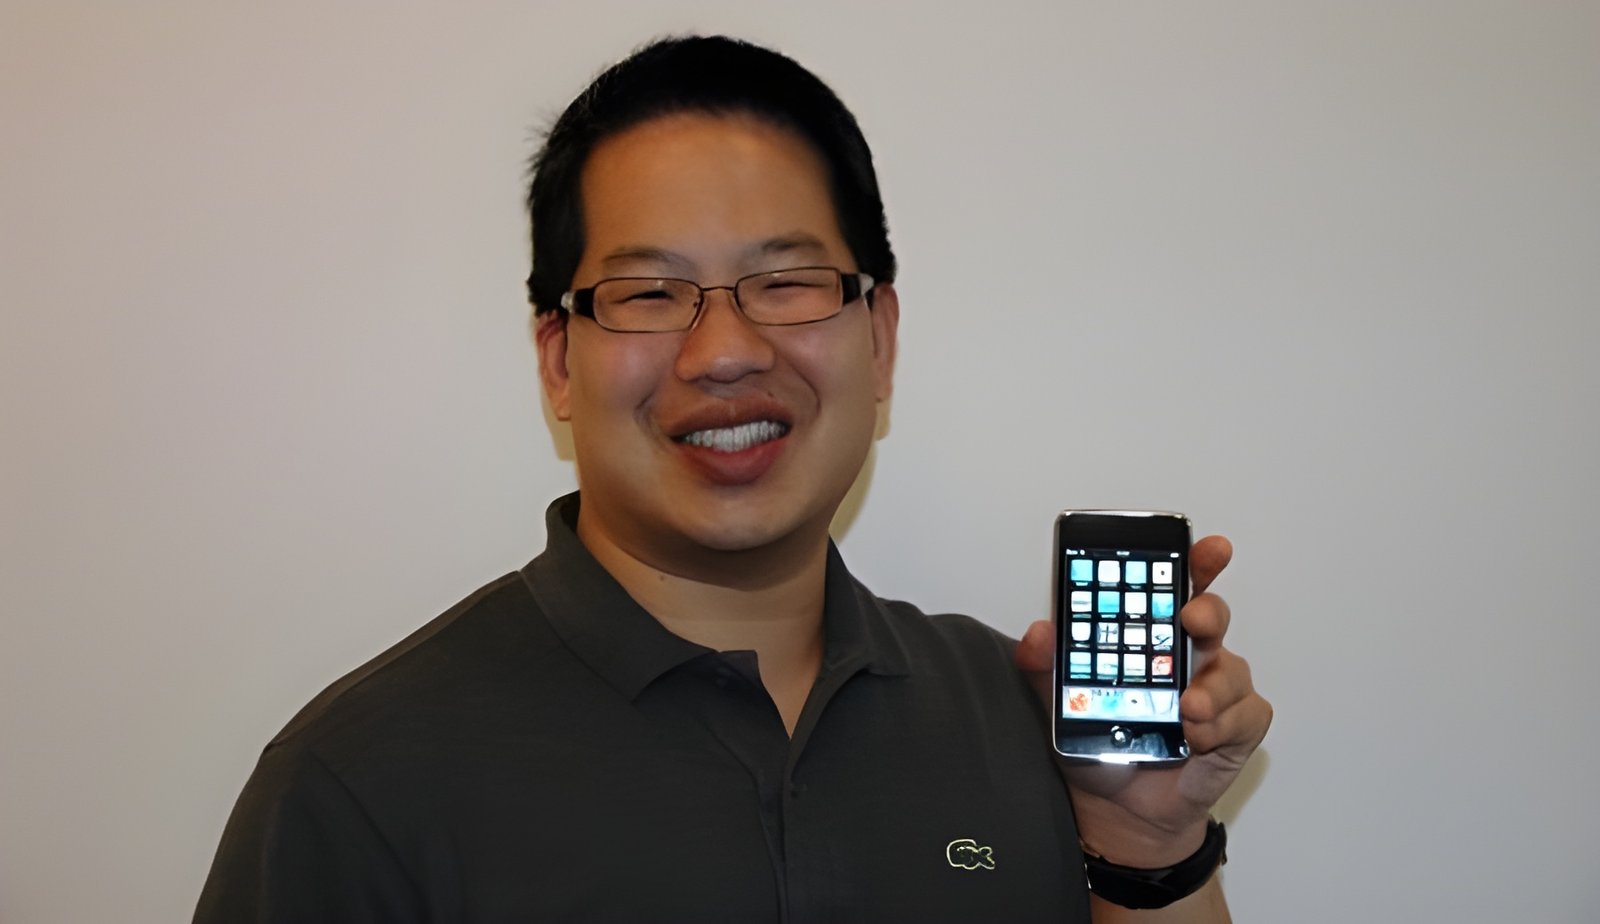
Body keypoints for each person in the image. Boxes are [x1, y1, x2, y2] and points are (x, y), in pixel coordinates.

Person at [195, 35, 1271, 922]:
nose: (722, 351)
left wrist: (1146, 844)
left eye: (786, 281)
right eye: (649, 293)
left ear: (879, 338)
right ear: (557, 360)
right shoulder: (357, 785)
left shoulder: (1024, 725)